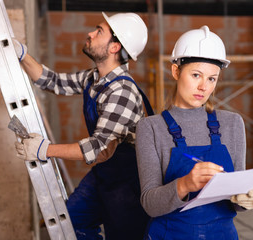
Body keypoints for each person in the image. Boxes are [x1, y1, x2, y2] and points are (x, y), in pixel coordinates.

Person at [14, 12, 153, 240]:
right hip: (104, 174)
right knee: (71, 223)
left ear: (114, 47)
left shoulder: (122, 92)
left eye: (99, 31)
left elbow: (99, 149)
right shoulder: (94, 79)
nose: (90, 33)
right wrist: (22, 55)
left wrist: (44, 150)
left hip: (127, 185)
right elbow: (54, 81)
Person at [135, 25, 253, 240]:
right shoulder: (151, 128)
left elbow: (234, 202)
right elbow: (150, 205)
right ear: (176, 71)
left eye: (212, 78)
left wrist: (248, 197)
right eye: (196, 75)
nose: (203, 87)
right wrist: (185, 184)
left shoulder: (232, 124)